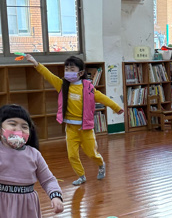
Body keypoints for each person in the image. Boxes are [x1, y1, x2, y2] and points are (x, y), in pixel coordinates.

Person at [23, 54, 123, 186]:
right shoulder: (62, 85)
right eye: (66, 69)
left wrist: (116, 108)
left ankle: (100, 164)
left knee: (91, 153)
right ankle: (81, 176)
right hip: (71, 129)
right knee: (72, 155)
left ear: (80, 73)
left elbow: (103, 98)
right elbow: (48, 75)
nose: (68, 72)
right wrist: (35, 63)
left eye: (72, 69)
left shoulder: (88, 88)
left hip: (86, 129)